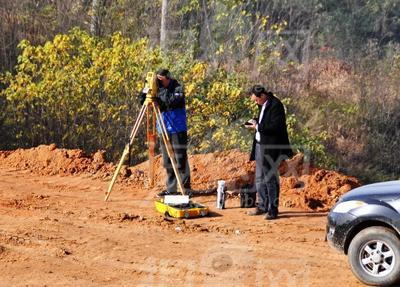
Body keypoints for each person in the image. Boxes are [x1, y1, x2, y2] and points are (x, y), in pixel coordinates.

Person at [139, 69, 191, 196]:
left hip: (178, 129)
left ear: (167, 78)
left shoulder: (178, 88)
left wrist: (159, 94)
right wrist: (146, 88)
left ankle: (186, 188)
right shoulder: (158, 89)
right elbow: (142, 101)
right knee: (168, 161)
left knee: (180, 158)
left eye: (161, 79)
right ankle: (171, 190)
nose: (159, 82)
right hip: (163, 128)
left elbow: (170, 101)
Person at [245, 85, 293, 220]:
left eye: (256, 100)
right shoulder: (263, 104)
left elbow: (275, 127)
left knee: (270, 179)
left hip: (271, 148)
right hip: (260, 145)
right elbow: (264, 120)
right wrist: (254, 121)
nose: (256, 103)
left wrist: (258, 126)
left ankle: (273, 209)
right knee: (260, 177)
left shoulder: (276, 105)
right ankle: (262, 205)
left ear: (262, 96)